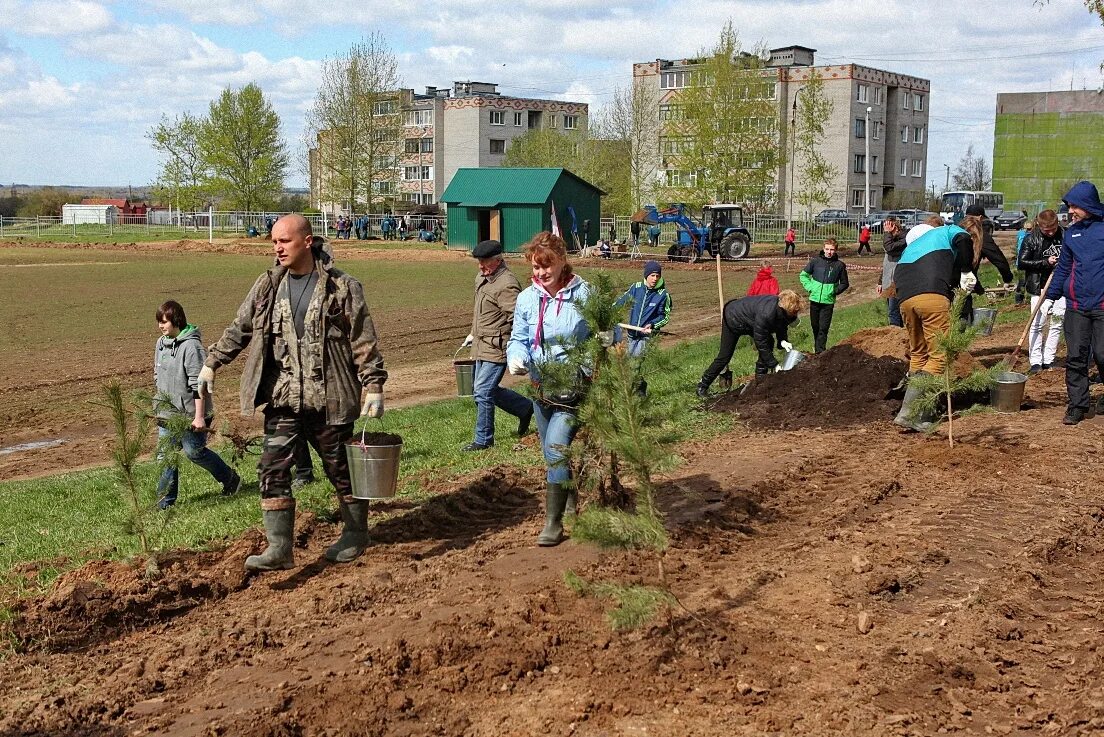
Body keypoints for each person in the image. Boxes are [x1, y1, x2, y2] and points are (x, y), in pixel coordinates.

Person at [199, 214, 387, 571]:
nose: (277, 248)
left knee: (341, 471)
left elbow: (362, 339)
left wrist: (373, 386)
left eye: (284, 241)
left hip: (329, 398)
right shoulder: (268, 285)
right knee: (272, 468)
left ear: (307, 240)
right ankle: (279, 547)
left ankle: (356, 532)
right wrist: (212, 363)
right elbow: (240, 328)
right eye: (273, 242)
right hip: (283, 398)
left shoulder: (342, 287)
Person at [506, 232, 592, 546]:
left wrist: (593, 360)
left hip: (572, 384)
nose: (542, 272)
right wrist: (515, 356)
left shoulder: (584, 294)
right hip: (540, 385)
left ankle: (553, 523)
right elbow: (519, 337)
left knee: (556, 449)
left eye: (547, 265)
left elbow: (601, 331)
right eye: (536, 266)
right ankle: (569, 505)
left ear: (561, 261)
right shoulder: (527, 298)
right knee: (550, 453)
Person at [891, 217, 983, 431]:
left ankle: (921, 410)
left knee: (919, 353)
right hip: (931, 294)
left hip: (904, 296)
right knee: (939, 355)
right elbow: (964, 239)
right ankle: (910, 413)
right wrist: (967, 270)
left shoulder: (918, 245)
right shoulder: (948, 231)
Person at [153, 300, 241, 510]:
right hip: (167, 412)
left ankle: (230, 479)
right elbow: (157, 374)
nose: (160, 326)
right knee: (165, 455)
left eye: (164, 322)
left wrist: (199, 417)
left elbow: (198, 384)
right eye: (159, 322)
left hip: (191, 413)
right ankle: (164, 503)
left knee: (194, 452)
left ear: (176, 320)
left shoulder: (192, 347)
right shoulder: (161, 343)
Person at [460, 239, 533, 452]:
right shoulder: (482, 278)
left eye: (485, 262)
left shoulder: (507, 284)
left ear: (499, 260)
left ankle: (483, 440)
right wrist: (473, 334)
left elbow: (518, 319)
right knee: (481, 389)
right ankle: (524, 408)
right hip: (481, 344)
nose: (480, 266)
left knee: (482, 391)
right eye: (479, 262)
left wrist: (516, 347)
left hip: (497, 347)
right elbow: (481, 312)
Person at [1041, 181, 1104, 425]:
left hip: (1101, 305)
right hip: (1077, 305)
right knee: (1076, 356)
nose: (1071, 211)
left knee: (1101, 353)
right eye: (1069, 206)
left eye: (1075, 206)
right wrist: (1051, 296)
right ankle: (1078, 405)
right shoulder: (1071, 234)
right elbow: (1064, 267)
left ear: (1088, 205)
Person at [696, 291, 802, 398]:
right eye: (793, 312)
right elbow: (761, 342)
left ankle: (761, 379)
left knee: (769, 341)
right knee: (724, 356)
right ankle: (702, 386)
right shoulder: (766, 314)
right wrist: (774, 364)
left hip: (749, 319)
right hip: (733, 317)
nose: (795, 315)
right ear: (785, 308)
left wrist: (783, 341)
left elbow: (782, 324)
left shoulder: (781, 309)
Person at [1019, 210, 1064, 374]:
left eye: (1053, 228)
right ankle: (1036, 361)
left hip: (1061, 287)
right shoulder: (1031, 238)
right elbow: (1022, 262)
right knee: (1037, 325)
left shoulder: (1065, 235)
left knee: (1057, 324)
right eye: (1047, 230)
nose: (1051, 232)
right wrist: (1045, 262)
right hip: (1039, 287)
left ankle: (1048, 359)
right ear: (1039, 225)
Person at [800, 237, 849, 354]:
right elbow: (803, 275)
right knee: (815, 327)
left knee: (823, 328)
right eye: (827, 249)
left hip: (828, 302)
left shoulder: (839, 265)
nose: (829, 252)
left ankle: (820, 352)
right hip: (814, 300)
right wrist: (810, 287)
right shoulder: (815, 262)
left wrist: (834, 291)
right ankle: (817, 348)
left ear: (835, 250)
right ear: (823, 249)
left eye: (832, 250)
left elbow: (845, 283)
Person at [616, 260, 672, 359]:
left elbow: (664, 317)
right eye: (652, 275)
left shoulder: (663, 295)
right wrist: (609, 311)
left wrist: (652, 324)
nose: (655, 279)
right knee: (628, 360)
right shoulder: (636, 288)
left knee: (636, 359)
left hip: (646, 336)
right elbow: (621, 301)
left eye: (657, 276)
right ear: (646, 275)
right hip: (632, 333)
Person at [878, 217, 907, 327]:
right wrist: (880, 281)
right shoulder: (890, 239)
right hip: (888, 281)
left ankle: (896, 337)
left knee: (894, 312)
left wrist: (887, 233)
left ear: (893, 227)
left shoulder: (904, 240)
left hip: (898, 281)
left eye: (887, 227)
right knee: (893, 311)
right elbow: (887, 263)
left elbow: (889, 248)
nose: (885, 230)